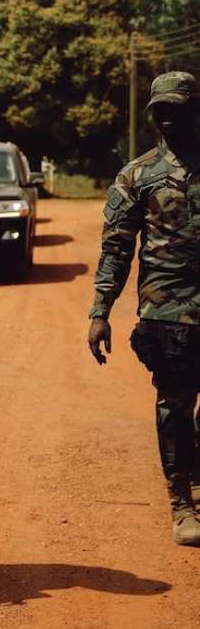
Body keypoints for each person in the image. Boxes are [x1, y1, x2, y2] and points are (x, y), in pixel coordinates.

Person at [88, 71, 200, 546]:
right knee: (174, 405)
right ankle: (181, 502)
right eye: (161, 111)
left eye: (179, 109)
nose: (169, 120)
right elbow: (116, 247)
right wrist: (100, 311)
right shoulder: (138, 175)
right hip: (167, 310)